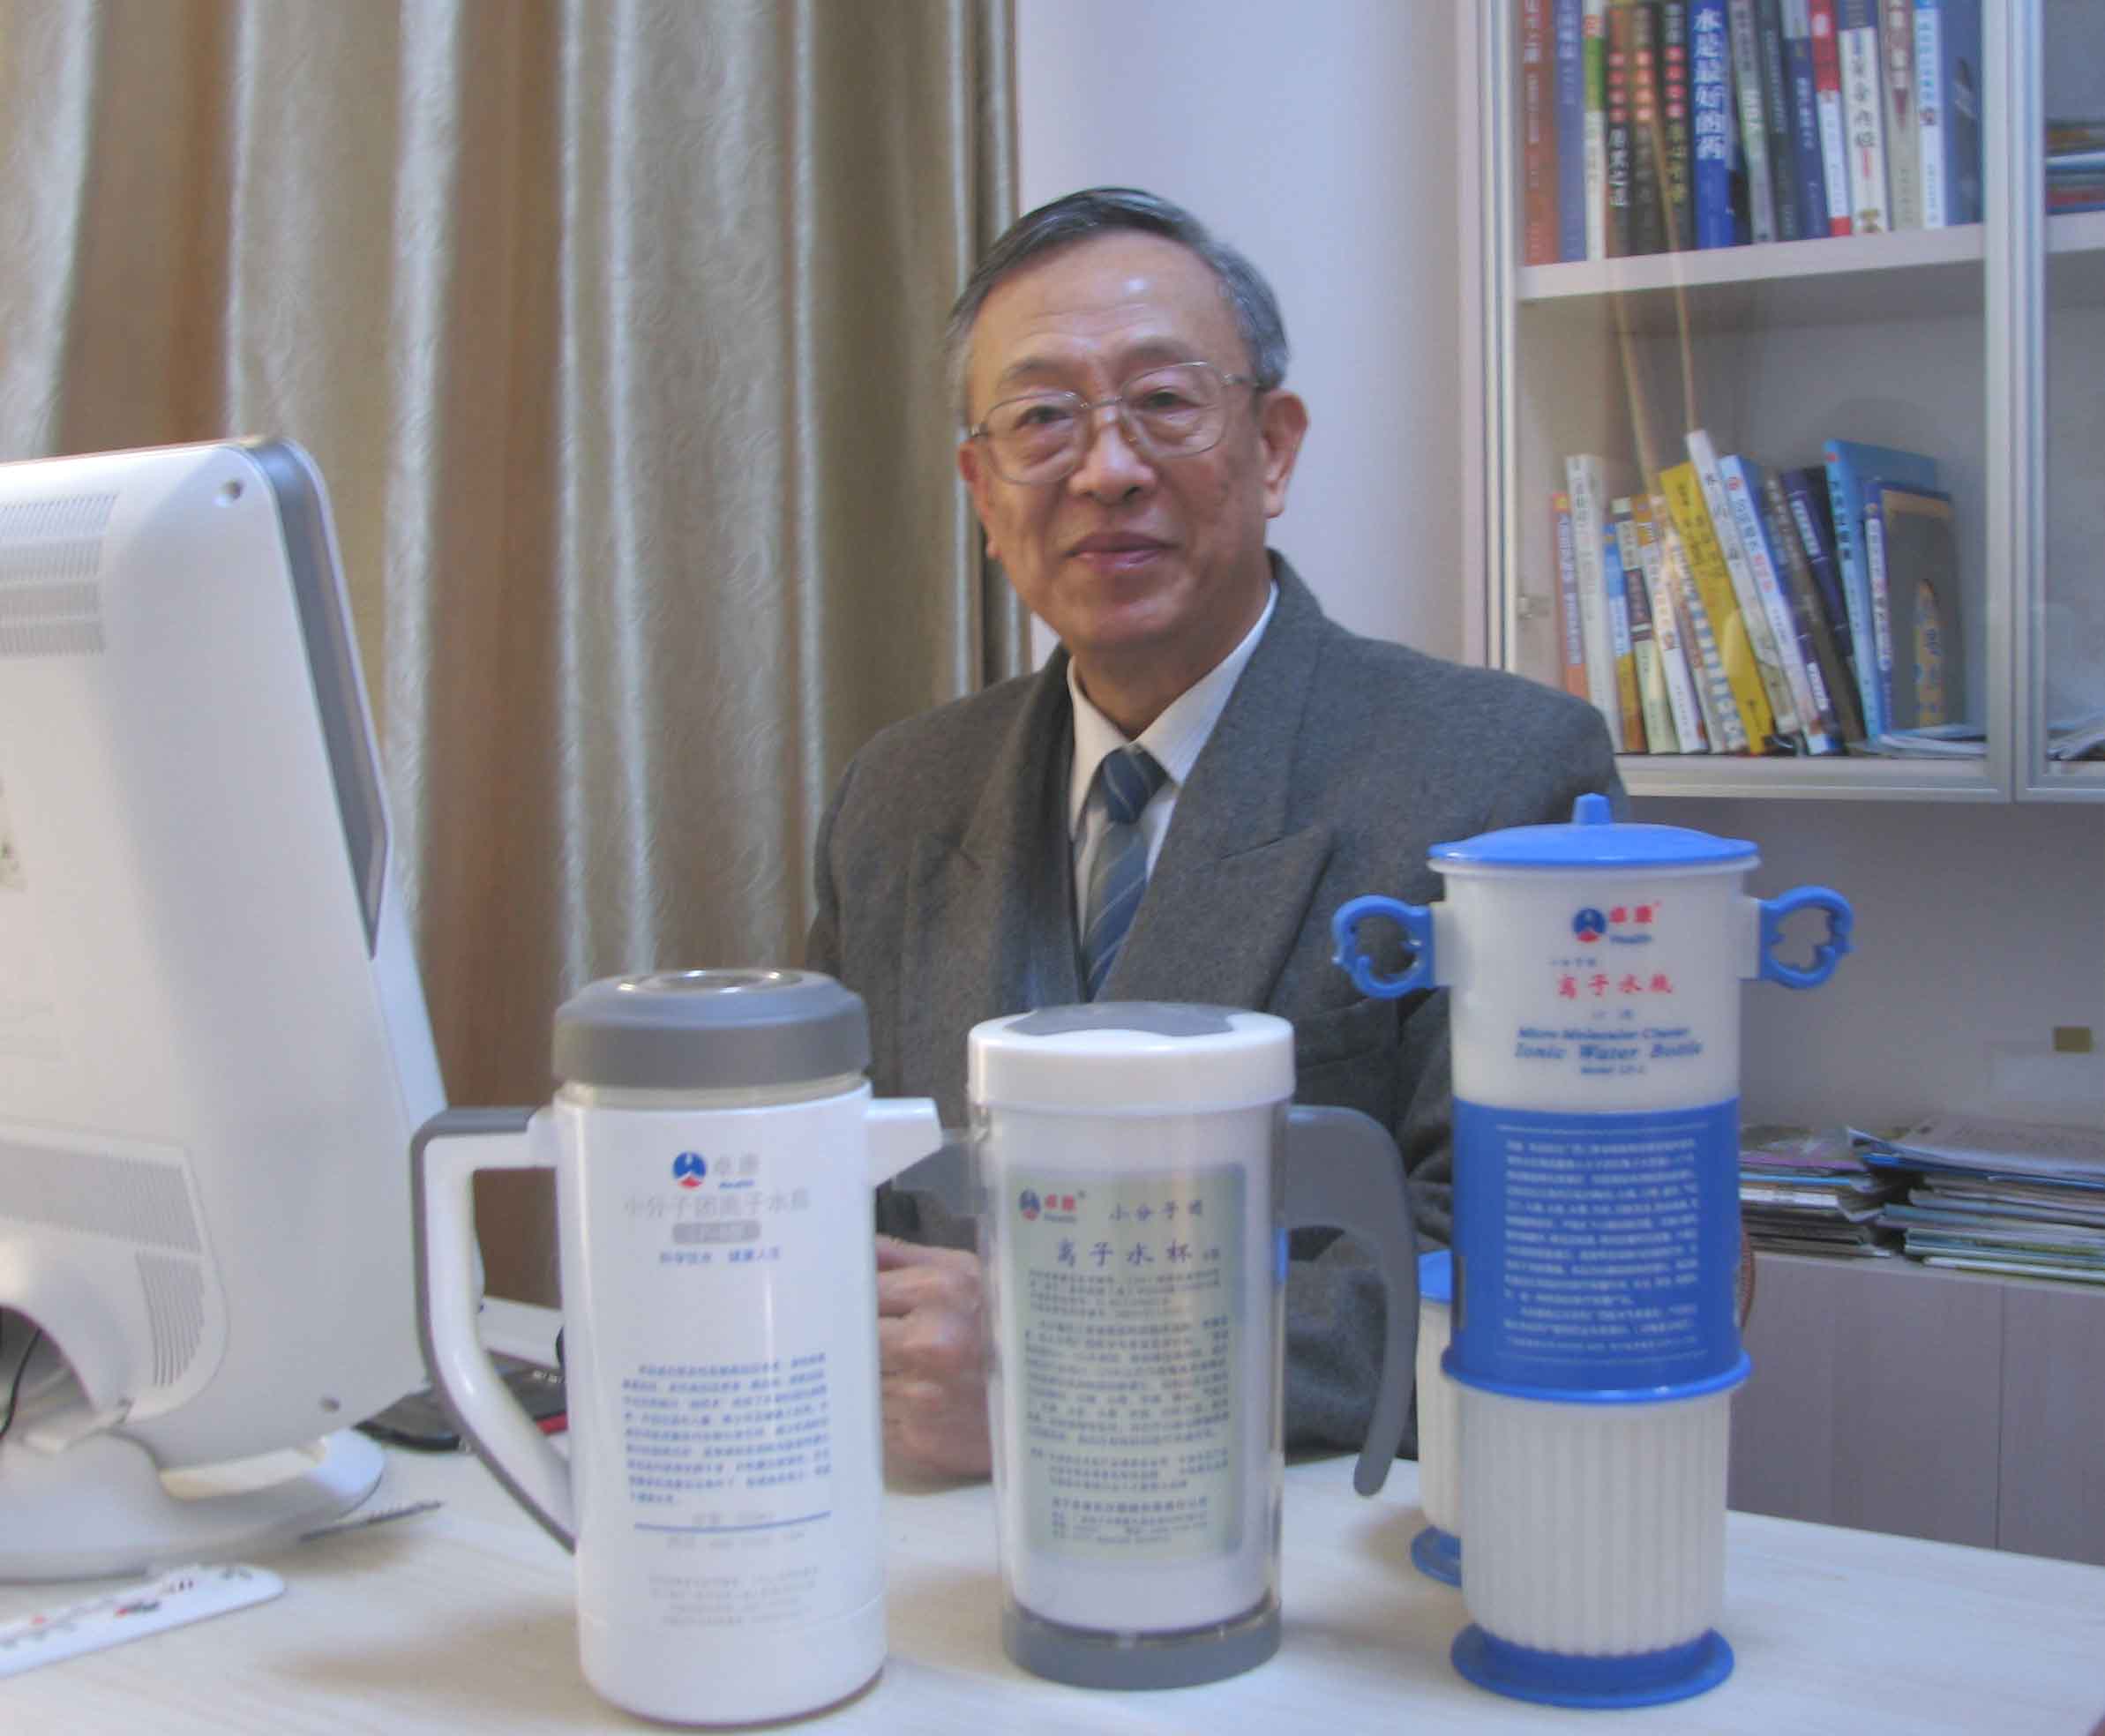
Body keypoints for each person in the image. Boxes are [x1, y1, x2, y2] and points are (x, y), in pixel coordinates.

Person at [804, 187, 1619, 1478]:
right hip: (926, 1537)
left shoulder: (1499, 775)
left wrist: (1066, 1376)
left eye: (1162, 402)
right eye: (1041, 418)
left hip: (1304, 1536)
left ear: (1273, 448)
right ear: (981, 491)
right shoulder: (896, 796)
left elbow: (1516, 1264)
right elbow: (818, 1188)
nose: (1106, 470)